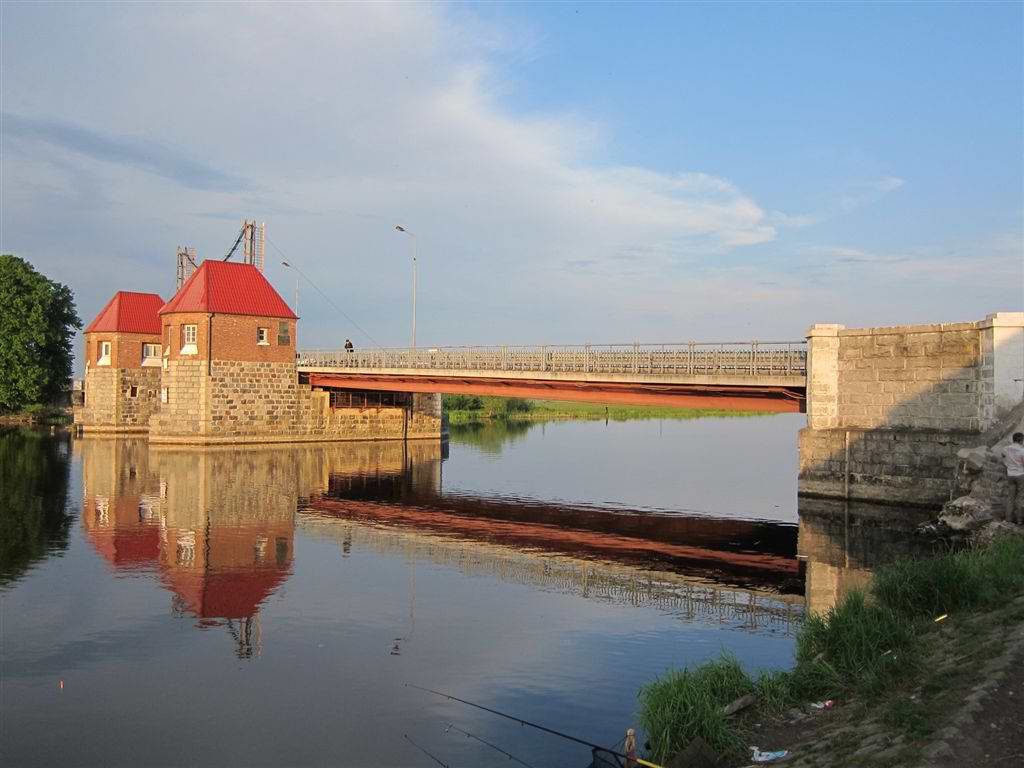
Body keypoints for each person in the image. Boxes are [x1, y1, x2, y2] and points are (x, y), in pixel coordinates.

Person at [999, 432, 1024, 524]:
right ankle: (1020, 520)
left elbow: (1002, 455)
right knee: (1020, 497)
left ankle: (1008, 519)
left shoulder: (1006, 448)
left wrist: (1006, 463)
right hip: (1020, 475)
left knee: (1011, 497)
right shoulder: (1022, 450)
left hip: (1010, 475)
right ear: (1021, 440)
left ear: (1013, 440)